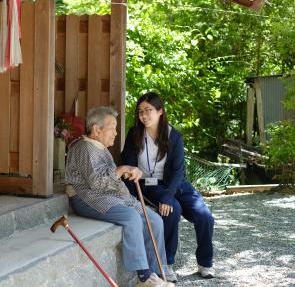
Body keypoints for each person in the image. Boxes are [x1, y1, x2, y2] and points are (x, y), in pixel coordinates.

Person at [65, 106, 175, 287]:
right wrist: (122, 169)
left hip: (109, 195)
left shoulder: (100, 148)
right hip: (87, 197)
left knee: (153, 219)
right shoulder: (84, 147)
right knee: (132, 217)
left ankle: (156, 273)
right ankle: (144, 275)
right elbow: (97, 183)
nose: (116, 133)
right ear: (96, 129)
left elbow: (108, 176)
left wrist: (126, 171)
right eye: (112, 128)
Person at [122, 92, 215, 281]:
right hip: (149, 184)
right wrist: (132, 200)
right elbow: (129, 166)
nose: (144, 115)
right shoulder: (134, 134)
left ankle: (205, 262)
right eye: (140, 112)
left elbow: (178, 171)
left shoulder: (174, 136)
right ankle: (166, 263)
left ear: (160, 111)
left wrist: (167, 196)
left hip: (175, 184)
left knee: (205, 215)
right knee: (172, 210)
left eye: (149, 110)